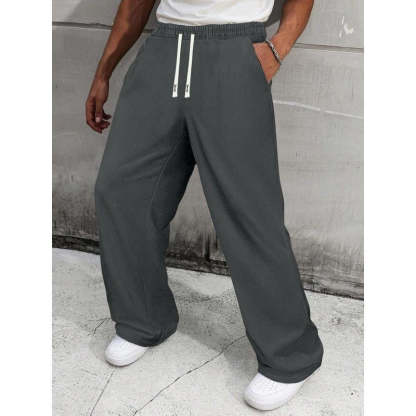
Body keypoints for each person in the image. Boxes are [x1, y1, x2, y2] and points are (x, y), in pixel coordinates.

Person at [86, 0, 323, 411]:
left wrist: (277, 48)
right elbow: (135, 4)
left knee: (248, 210)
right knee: (122, 192)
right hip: (163, 50)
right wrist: (103, 72)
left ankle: (291, 355)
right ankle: (143, 320)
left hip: (234, 52)